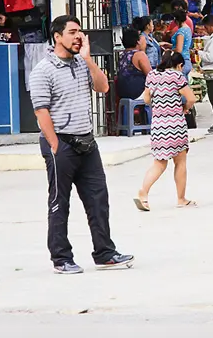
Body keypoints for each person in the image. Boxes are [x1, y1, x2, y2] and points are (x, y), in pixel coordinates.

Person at [29, 16, 134, 275]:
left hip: (87, 142)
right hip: (62, 143)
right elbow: (41, 111)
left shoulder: (81, 64)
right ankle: (61, 258)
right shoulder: (43, 70)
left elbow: (103, 87)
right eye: (72, 32)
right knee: (59, 202)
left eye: (80, 32)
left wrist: (88, 59)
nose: (78, 37)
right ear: (57, 36)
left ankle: (105, 253)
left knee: (98, 199)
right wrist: (54, 145)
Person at [134, 52, 197, 211]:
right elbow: (191, 98)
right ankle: (181, 199)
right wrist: (185, 108)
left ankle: (144, 191)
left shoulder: (152, 75)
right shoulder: (177, 77)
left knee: (159, 163)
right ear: (179, 65)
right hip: (176, 124)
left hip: (158, 126)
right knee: (180, 161)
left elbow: (147, 99)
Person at [114, 28, 152, 101]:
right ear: (138, 41)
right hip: (137, 93)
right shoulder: (139, 55)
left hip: (122, 93)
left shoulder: (122, 55)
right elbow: (151, 76)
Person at [169, 8, 193, 77]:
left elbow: (179, 49)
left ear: (176, 20)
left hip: (181, 62)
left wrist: (169, 51)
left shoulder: (181, 32)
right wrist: (169, 45)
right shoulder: (187, 29)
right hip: (187, 59)